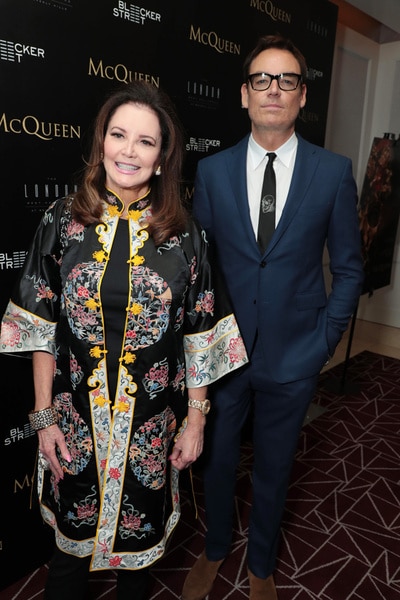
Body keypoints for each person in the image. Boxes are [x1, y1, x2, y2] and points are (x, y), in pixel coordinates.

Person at [0, 80, 248, 600]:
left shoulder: (185, 236)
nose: (128, 151)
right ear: (102, 143)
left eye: (145, 141)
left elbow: (203, 335)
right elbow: (39, 327)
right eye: (118, 135)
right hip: (74, 425)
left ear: (162, 157)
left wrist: (196, 421)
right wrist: (43, 420)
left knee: (137, 572)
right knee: (67, 564)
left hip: (150, 431)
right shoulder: (61, 221)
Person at [182, 34, 364, 600]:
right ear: (243, 94)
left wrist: (324, 343)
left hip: (296, 354)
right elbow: (200, 268)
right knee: (215, 465)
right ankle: (215, 549)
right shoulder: (211, 172)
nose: (273, 90)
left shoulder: (333, 172)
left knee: (275, 467)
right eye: (261, 79)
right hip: (226, 355)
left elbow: (350, 269)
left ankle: (261, 563)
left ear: (302, 95)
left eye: (287, 80)